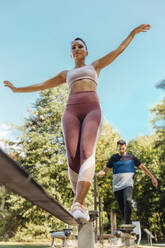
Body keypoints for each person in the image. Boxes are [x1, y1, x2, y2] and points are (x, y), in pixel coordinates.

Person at [3, 24, 151, 222]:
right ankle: (81, 203)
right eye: (73, 47)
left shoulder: (95, 66)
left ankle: (77, 202)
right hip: (71, 111)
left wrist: (132, 34)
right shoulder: (66, 74)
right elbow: (42, 84)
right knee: (72, 157)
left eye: (80, 46)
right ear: (71, 54)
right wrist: (16, 89)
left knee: (86, 152)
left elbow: (118, 51)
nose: (76, 49)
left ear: (86, 51)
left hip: (92, 110)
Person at [97, 139, 158, 224]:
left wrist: (152, 178)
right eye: (119, 149)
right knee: (122, 207)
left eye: (123, 148)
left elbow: (142, 167)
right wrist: (96, 175)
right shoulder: (114, 158)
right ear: (117, 148)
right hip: (117, 186)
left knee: (128, 201)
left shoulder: (131, 157)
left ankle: (128, 225)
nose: (121, 150)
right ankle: (128, 223)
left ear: (125, 147)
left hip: (128, 185)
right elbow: (105, 170)